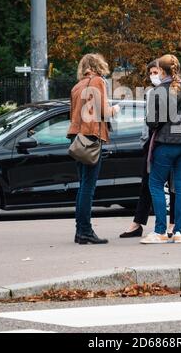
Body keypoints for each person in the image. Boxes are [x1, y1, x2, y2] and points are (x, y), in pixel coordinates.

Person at [141, 54, 181, 244]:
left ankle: (160, 231)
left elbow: (151, 122)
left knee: (156, 184)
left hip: (165, 145)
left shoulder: (158, 91)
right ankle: (178, 231)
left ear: (163, 71)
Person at [67, 53, 120, 245]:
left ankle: (80, 231)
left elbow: (72, 113)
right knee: (88, 187)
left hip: (77, 137)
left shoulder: (77, 86)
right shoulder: (98, 81)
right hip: (90, 137)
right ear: (98, 65)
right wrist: (114, 110)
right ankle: (85, 231)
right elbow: (103, 111)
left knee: (83, 185)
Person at [119, 60, 176, 238]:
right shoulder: (151, 92)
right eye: (151, 72)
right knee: (147, 184)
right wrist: (145, 140)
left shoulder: (175, 90)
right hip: (152, 142)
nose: (153, 75)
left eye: (156, 71)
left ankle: (172, 225)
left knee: (174, 185)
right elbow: (147, 120)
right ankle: (138, 223)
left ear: (164, 72)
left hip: (170, 142)